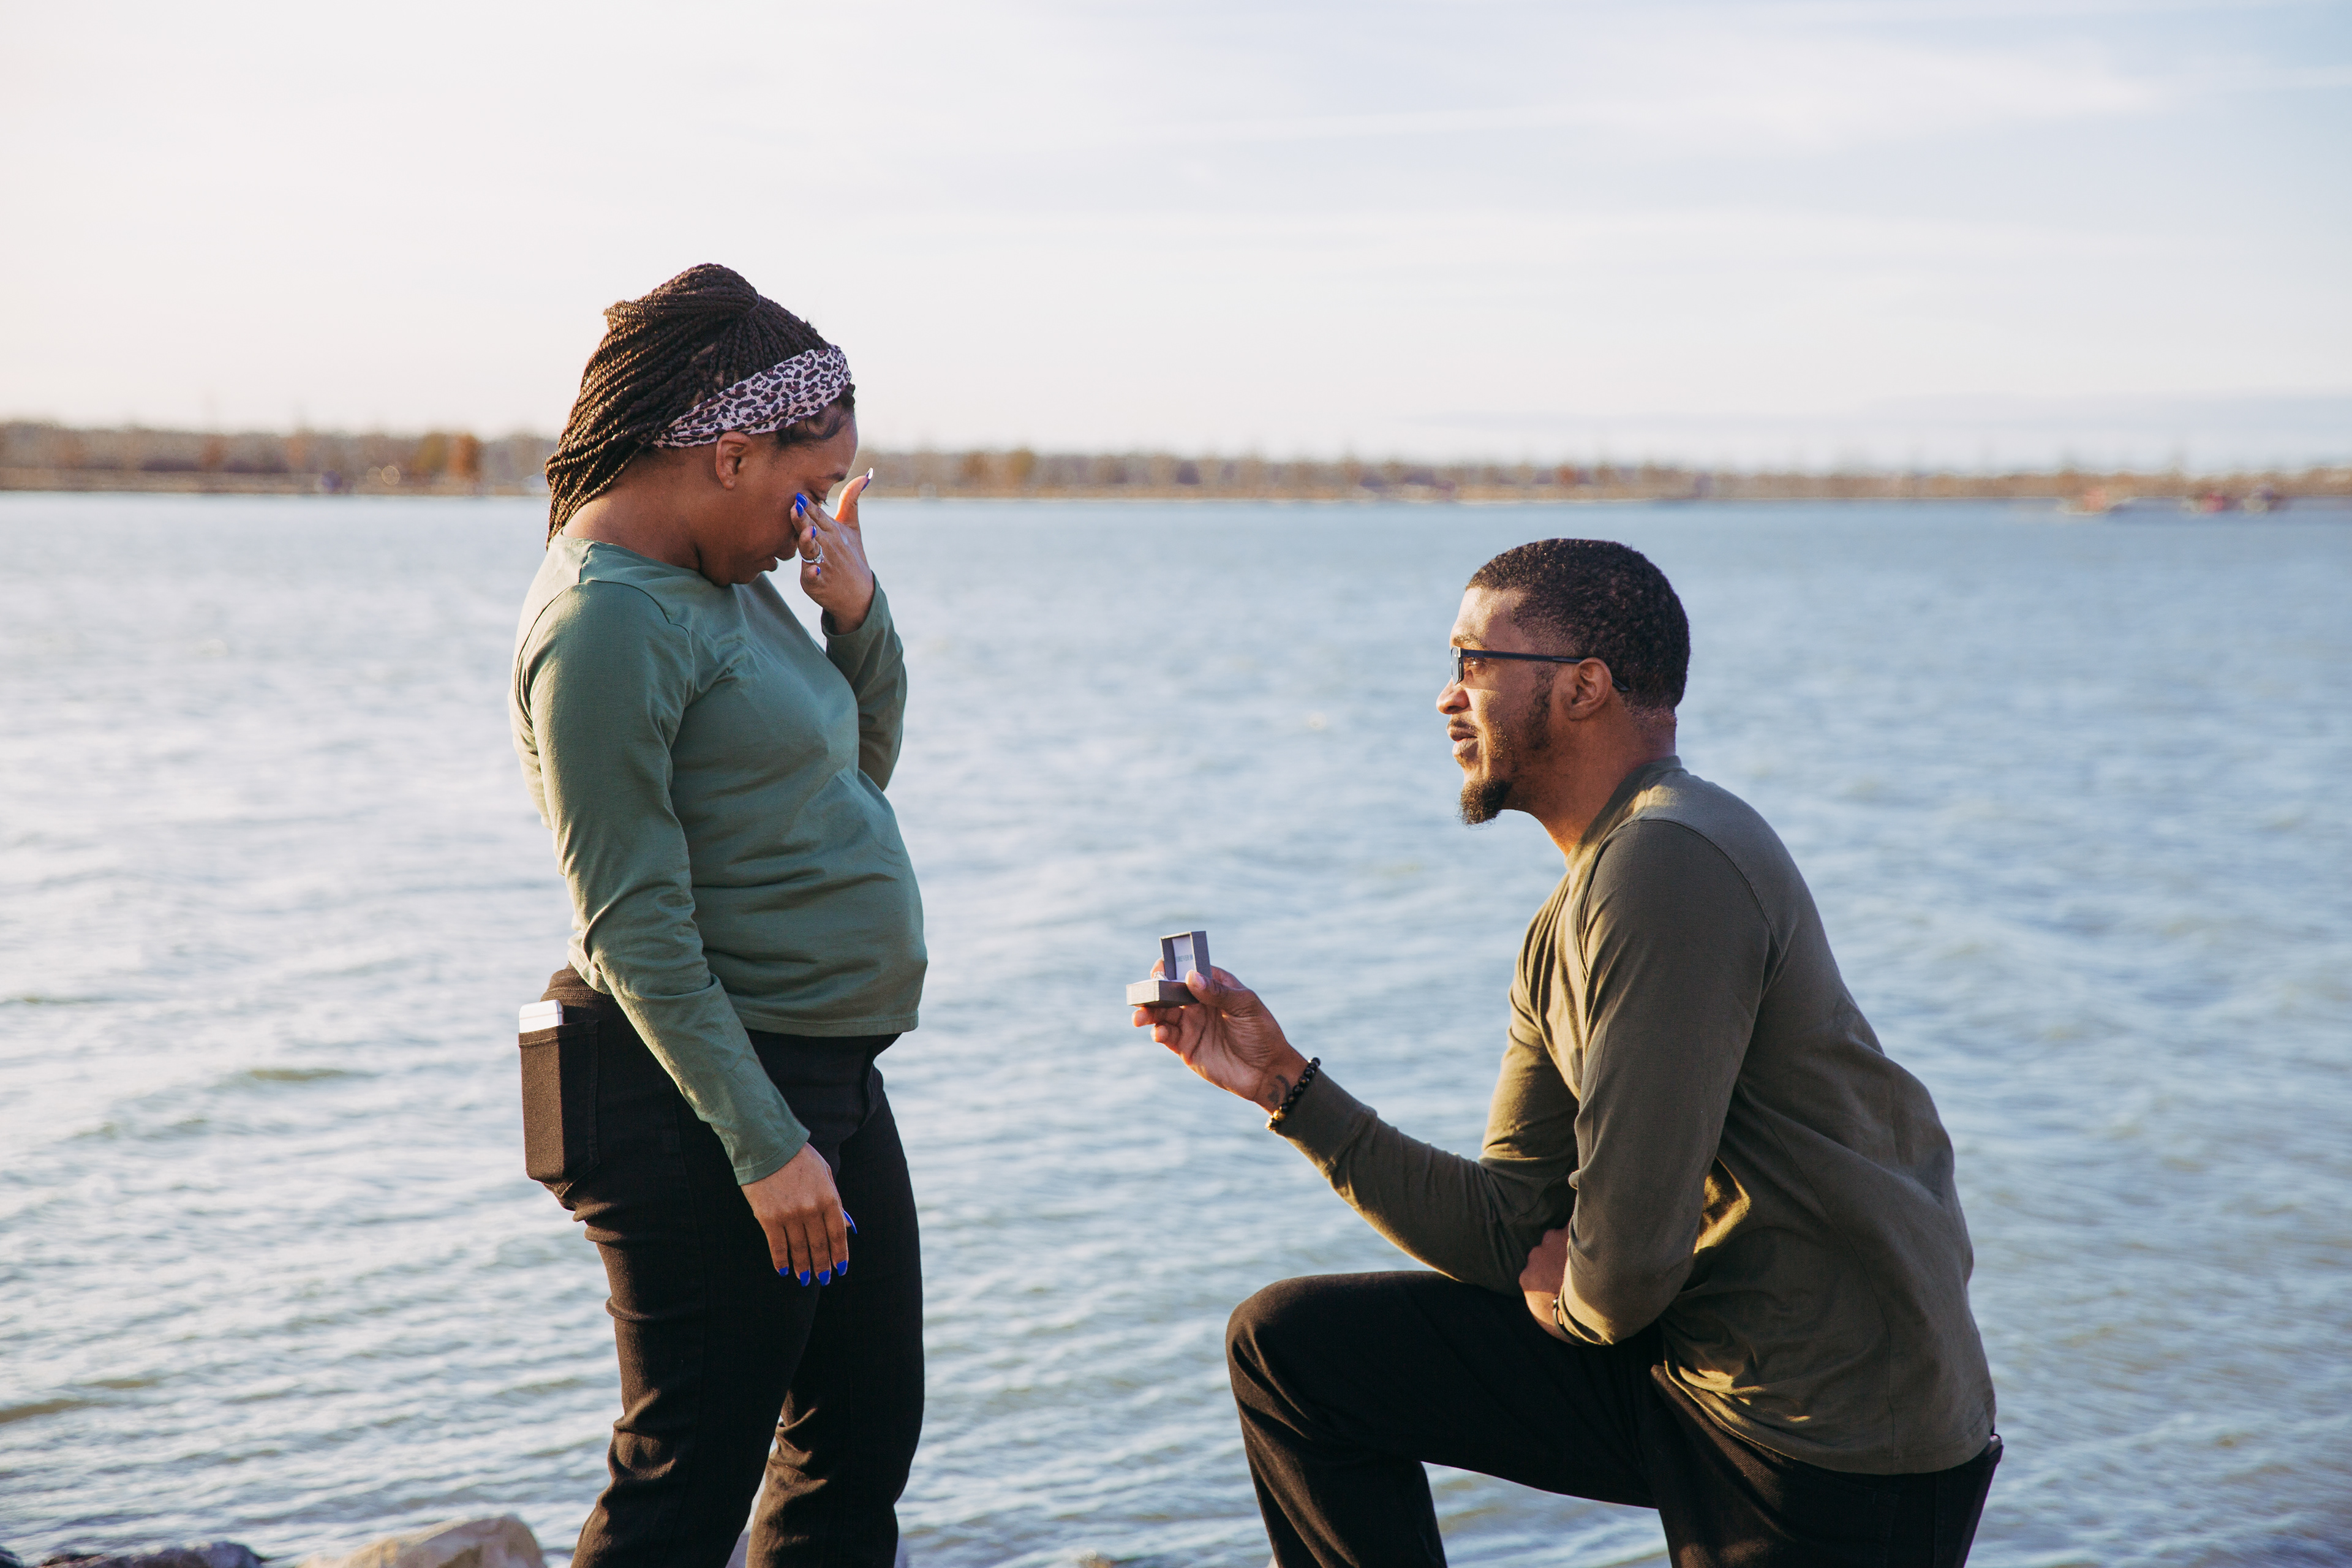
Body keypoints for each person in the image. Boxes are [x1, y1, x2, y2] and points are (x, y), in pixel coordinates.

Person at [1137, 540, 2000, 1567]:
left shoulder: (1670, 861)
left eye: (1473, 661)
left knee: (1437, 1329)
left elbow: (1619, 1273)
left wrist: (1577, 1301)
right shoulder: (1575, 912)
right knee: (1295, 1353)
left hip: (1834, 1441)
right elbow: (1515, 1222)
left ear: (1585, 687)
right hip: (1704, 1376)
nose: (1448, 697)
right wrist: (1285, 1087)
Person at [510, 264, 924, 1567]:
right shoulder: (606, 623)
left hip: (817, 1065)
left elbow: (854, 776)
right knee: (686, 1480)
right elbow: (632, 923)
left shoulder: (730, 576)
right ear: (732, 453)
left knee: (857, 1441)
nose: (817, 513)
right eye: (811, 482)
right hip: (689, 1089)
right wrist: (762, 1146)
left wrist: (853, 611)